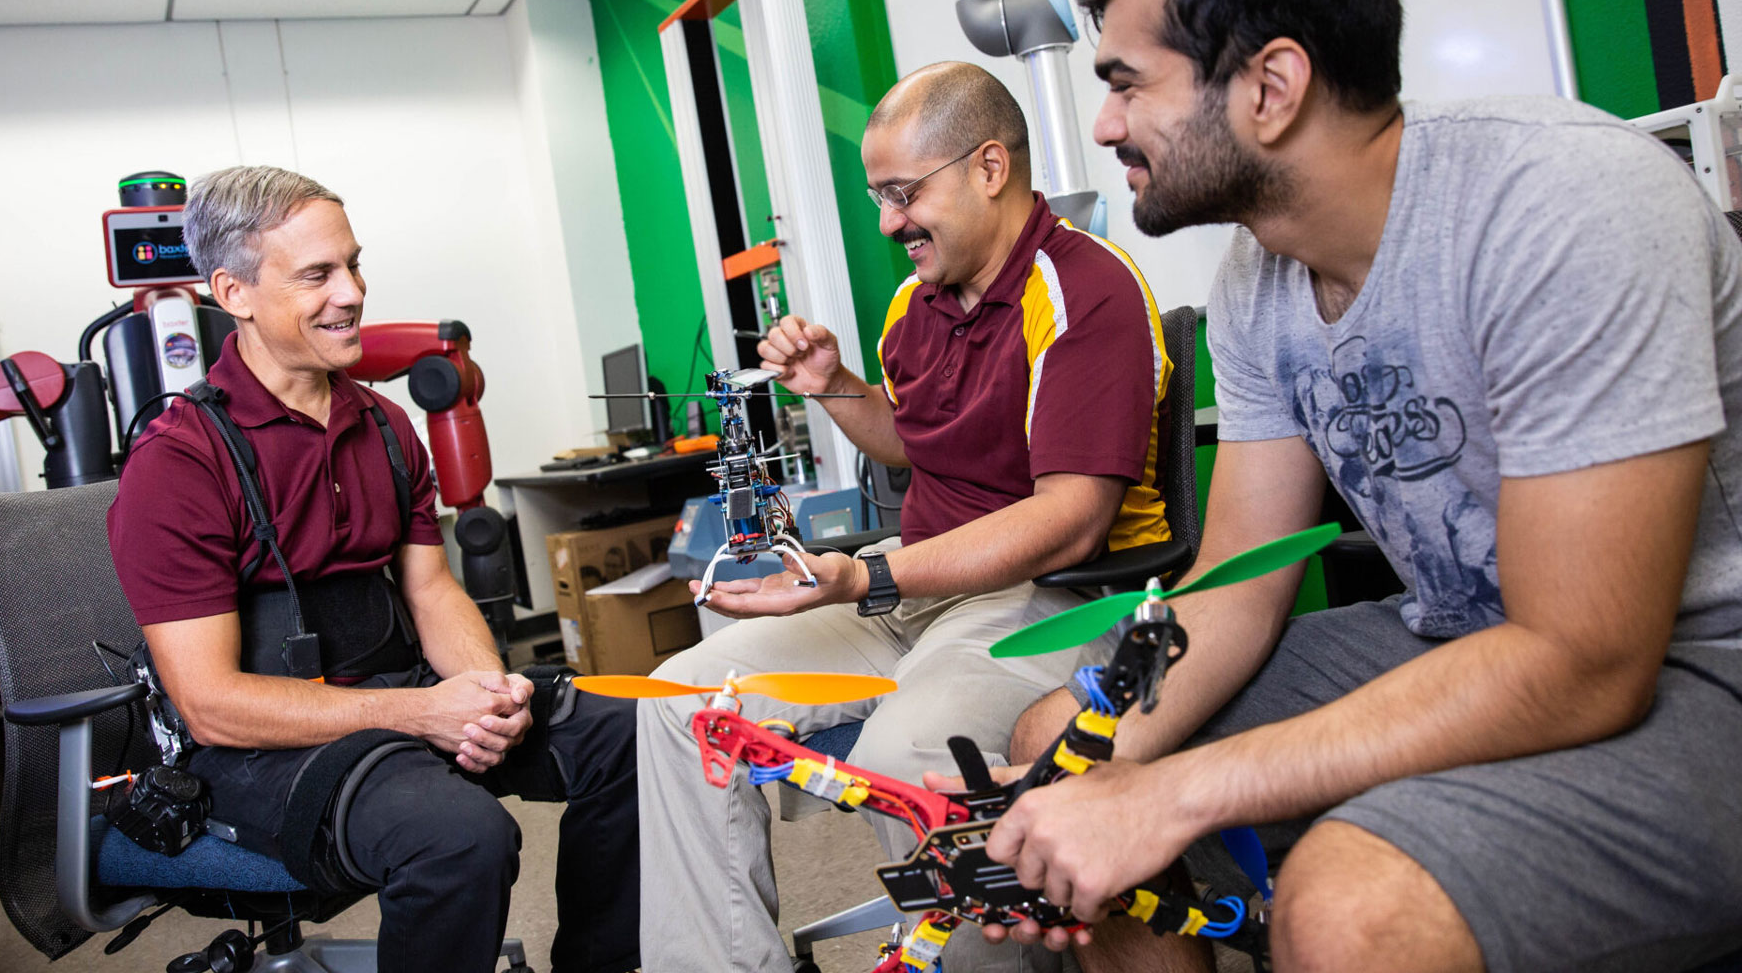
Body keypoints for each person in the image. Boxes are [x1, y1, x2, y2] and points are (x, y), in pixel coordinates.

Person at [960, 0, 1742, 971]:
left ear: (1271, 89)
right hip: (1462, 633)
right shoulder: (1257, 281)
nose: (1102, 127)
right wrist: (1097, 768)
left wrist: (1173, 790)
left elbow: (1583, 661)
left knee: (1350, 905)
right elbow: (1237, 579)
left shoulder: (1564, 204)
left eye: (1127, 84)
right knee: (1062, 744)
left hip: (1700, 666)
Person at [639, 62, 1176, 972]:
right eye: (879, 196)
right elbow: (914, 443)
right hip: (920, 581)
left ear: (990, 167)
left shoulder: (1085, 291)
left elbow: (1076, 520)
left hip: (1056, 594)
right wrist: (839, 387)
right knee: (677, 706)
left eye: (901, 193)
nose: (889, 223)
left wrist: (865, 574)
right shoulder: (912, 305)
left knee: (907, 756)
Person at [107, 165, 640, 973]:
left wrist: (486, 697)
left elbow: (429, 589)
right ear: (233, 291)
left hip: (400, 697)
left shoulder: (386, 425)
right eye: (317, 274)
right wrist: (424, 714)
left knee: (635, 742)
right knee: (461, 837)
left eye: (354, 264)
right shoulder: (179, 460)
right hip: (260, 751)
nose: (352, 292)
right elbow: (211, 706)